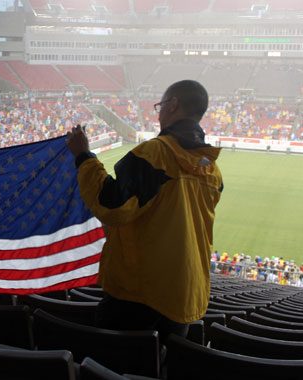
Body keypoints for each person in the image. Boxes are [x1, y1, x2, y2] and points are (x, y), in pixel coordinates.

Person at [66, 80, 223, 341]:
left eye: (160, 105)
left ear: (173, 105)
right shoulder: (212, 171)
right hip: (184, 296)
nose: (158, 112)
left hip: (138, 294)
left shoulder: (154, 154)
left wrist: (84, 157)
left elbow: (112, 206)